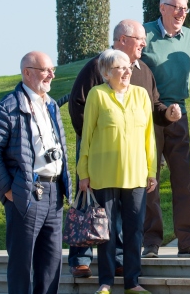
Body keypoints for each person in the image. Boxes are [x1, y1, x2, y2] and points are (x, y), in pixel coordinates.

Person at [67, 19, 182, 277]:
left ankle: (118, 259)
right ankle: (80, 258)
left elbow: (153, 108)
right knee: (90, 205)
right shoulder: (98, 66)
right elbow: (77, 104)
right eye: (139, 38)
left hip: (130, 161)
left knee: (119, 215)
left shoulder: (143, 71)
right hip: (97, 155)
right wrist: (96, 139)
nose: (144, 43)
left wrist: (169, 116)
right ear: (122, 40)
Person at [0, 51, 71, 294]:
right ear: (27, 72)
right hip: (26, 193)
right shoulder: (8, 107)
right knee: (22, 260)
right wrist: (8, 190)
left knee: (51, 259)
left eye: (52, 70)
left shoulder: (52, 105)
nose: (51, 75)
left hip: (54, 190)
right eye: (45, 70)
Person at [78, 49, 158, 294]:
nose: (125, 72)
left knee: (134, 230)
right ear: (105, 73)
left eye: (127, 67)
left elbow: (149, 137)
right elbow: (87, 136)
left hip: (136, 174)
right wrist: (83, 172)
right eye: (119, 68)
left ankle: (132, 281)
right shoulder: (97, 95)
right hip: (103, 174)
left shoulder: (141, 94)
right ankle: (105, 281)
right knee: (106, 231)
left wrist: (151, 171)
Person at [141, 0, 190, 258]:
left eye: (185, 9)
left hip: (178, 114)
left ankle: (188, 242)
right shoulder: (145, 34)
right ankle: (151, 243)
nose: (182, 13)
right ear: (162, 8)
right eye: (176, 7)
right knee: (151, 181)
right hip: (149, 116)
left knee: (183, 180)